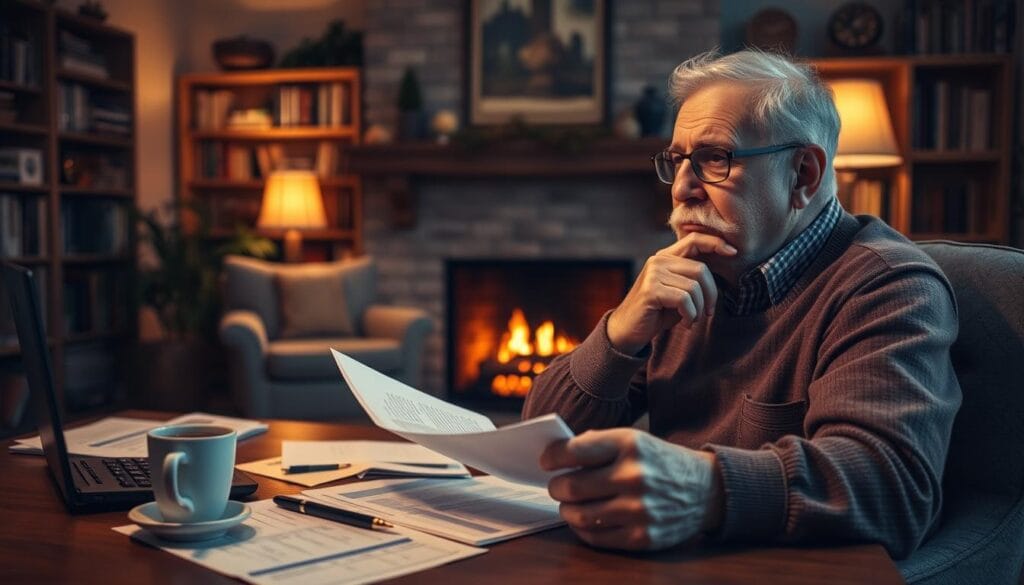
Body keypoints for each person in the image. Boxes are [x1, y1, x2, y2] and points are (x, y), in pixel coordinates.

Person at [523, 49, 961, 560]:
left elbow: (894, 489)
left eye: (714, 158)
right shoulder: (692, 273)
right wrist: (619, 332)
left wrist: (706, 488)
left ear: (803, 175)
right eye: (678, 160)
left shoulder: (888, 287)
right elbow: (541, 446)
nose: (683, 188)